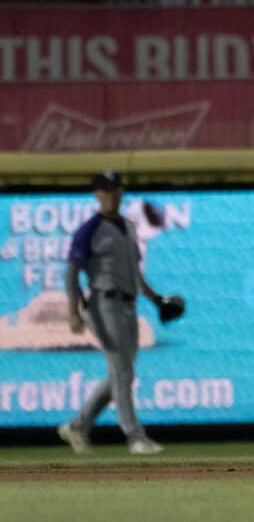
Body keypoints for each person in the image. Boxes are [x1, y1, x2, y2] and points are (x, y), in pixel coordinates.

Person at [57, 171, 165, 455]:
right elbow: (71, 273)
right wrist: (74, 312)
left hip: (129, 305)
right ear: (96, 194)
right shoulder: (89, 230)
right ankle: (135, 437)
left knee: (122, 374)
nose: (111, 194)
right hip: (103, 305)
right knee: (122, 370)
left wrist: (156, 300)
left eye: (115, 188)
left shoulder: (128, 227)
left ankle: (78, 426)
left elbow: (136, 273)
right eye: (105, 189)